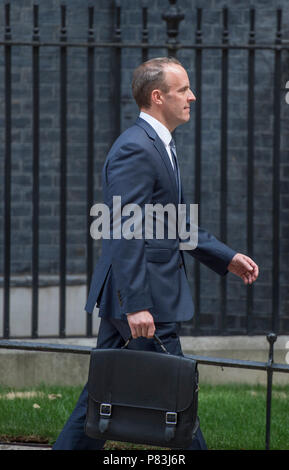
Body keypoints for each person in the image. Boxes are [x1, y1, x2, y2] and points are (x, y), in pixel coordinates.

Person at [52, 57, 259, 450]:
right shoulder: (136, 149)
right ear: (157, 96)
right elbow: (123, 230)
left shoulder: (158, 145)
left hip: (139, 295)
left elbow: (171, 223)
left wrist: (225, 256)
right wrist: (135, 305)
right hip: (144, 300)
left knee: (100, 397)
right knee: (178, 399)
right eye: (184, 90)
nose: (192, 97)